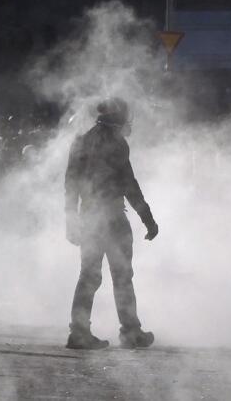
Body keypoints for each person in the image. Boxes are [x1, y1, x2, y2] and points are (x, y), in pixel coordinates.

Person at [64, 97, 158, 349]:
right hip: (113, 217)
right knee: (122, 275)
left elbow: (71, 185)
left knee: (88, 275)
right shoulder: (117, 144)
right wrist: (147, 218)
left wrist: (70, 218)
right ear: (118, 117)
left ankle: (79, 332)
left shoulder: (81, 142)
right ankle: (131, 332)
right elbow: (129, 184)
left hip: (89, 216)